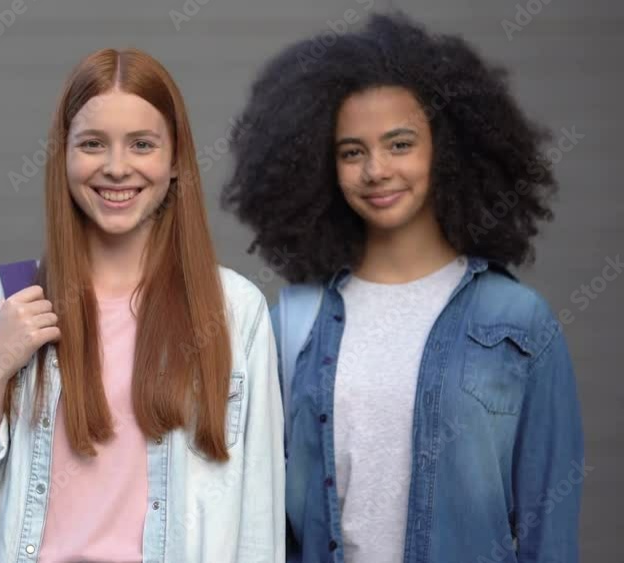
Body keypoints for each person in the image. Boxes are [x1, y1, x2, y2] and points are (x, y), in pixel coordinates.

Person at [222, 13, 584, 563]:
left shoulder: (520, 322)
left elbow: (548, 532)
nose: (375, 170)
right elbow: (258, 519)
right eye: (351, 152)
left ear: (447, 150)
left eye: (400, 144)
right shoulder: (291, 323)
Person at [0, 47, 284, 562]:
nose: (116, 168)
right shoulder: (0, 303)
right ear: (63, 155)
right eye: (92, 144)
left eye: (141, 144)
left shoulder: (234, 311)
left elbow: (258, 520)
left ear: (176, 159)